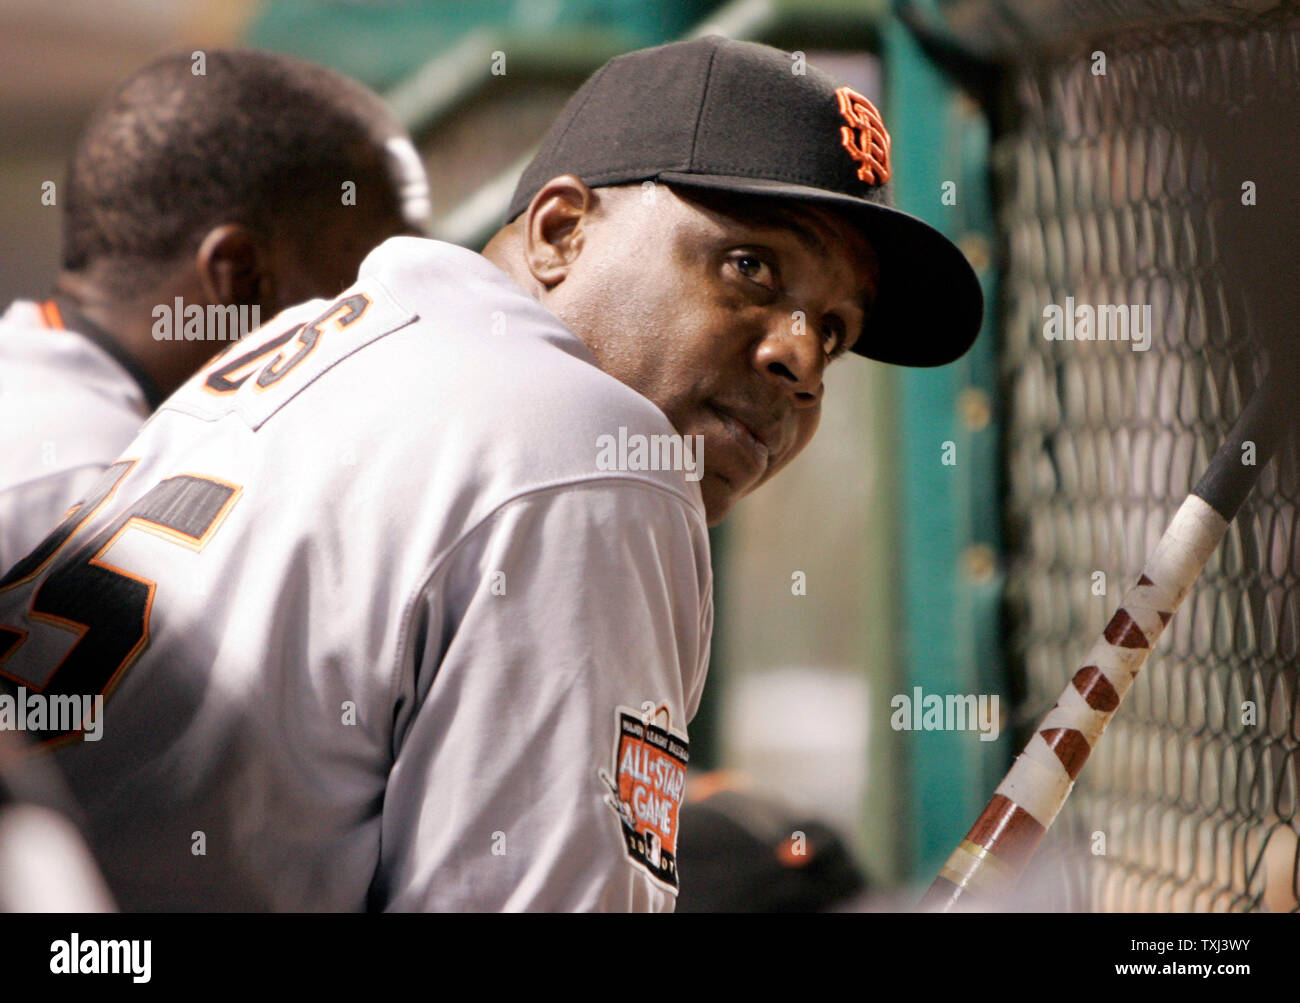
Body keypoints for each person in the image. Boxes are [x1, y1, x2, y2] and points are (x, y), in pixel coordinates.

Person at [0, 36, 981, 911]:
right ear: (559, 232)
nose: (800, 364)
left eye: (836, 333)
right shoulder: (587, 447)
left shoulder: (311, 341)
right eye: (750, 268)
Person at [0, 48, 430, 572]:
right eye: (358, 286)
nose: (379, 320)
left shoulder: (39, 401)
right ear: (240, 275)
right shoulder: (94, 487)